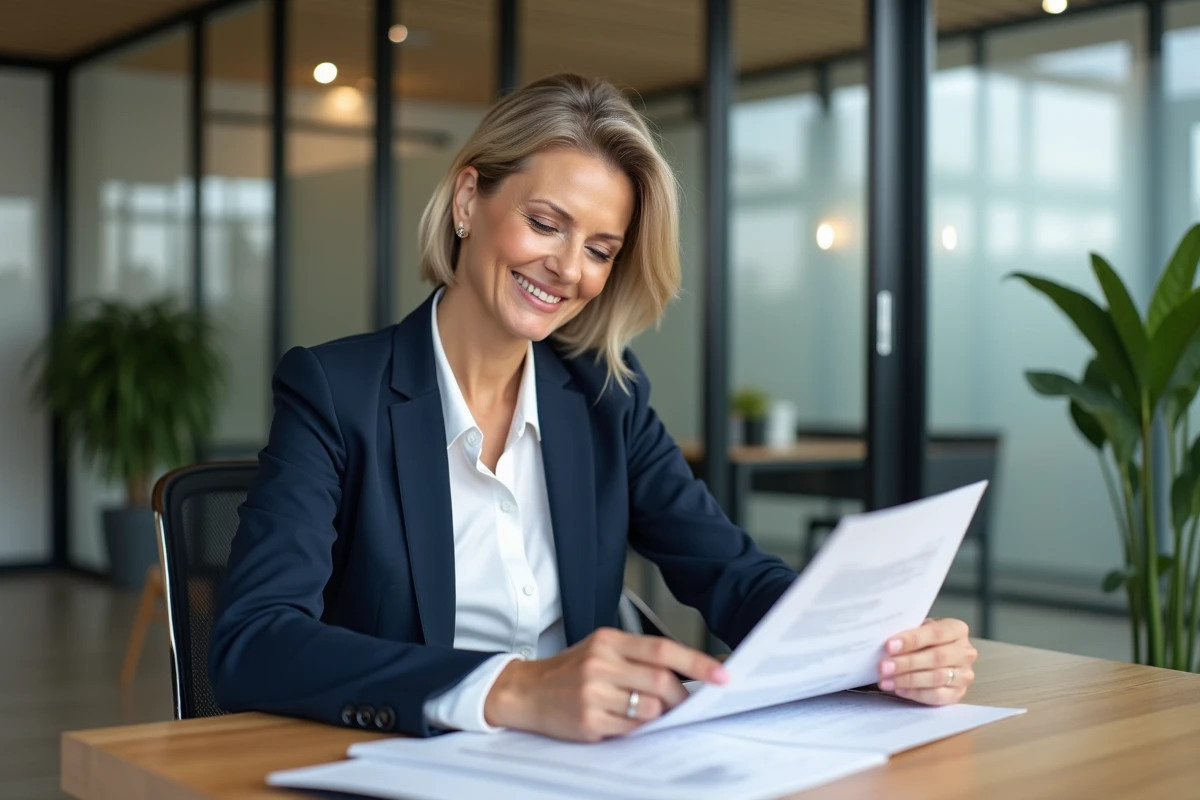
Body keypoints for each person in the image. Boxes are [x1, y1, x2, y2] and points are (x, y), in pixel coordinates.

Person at [209, 73, 978, 742]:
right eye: (545, 224)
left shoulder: (606, 394)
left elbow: (733, 576)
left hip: (589, 769)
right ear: (470, 199)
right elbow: (255, 641)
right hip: (418, 762)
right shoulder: (334, 391)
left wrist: (881, 648)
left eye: (601, 249)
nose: (568, 270)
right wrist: (513, 689)